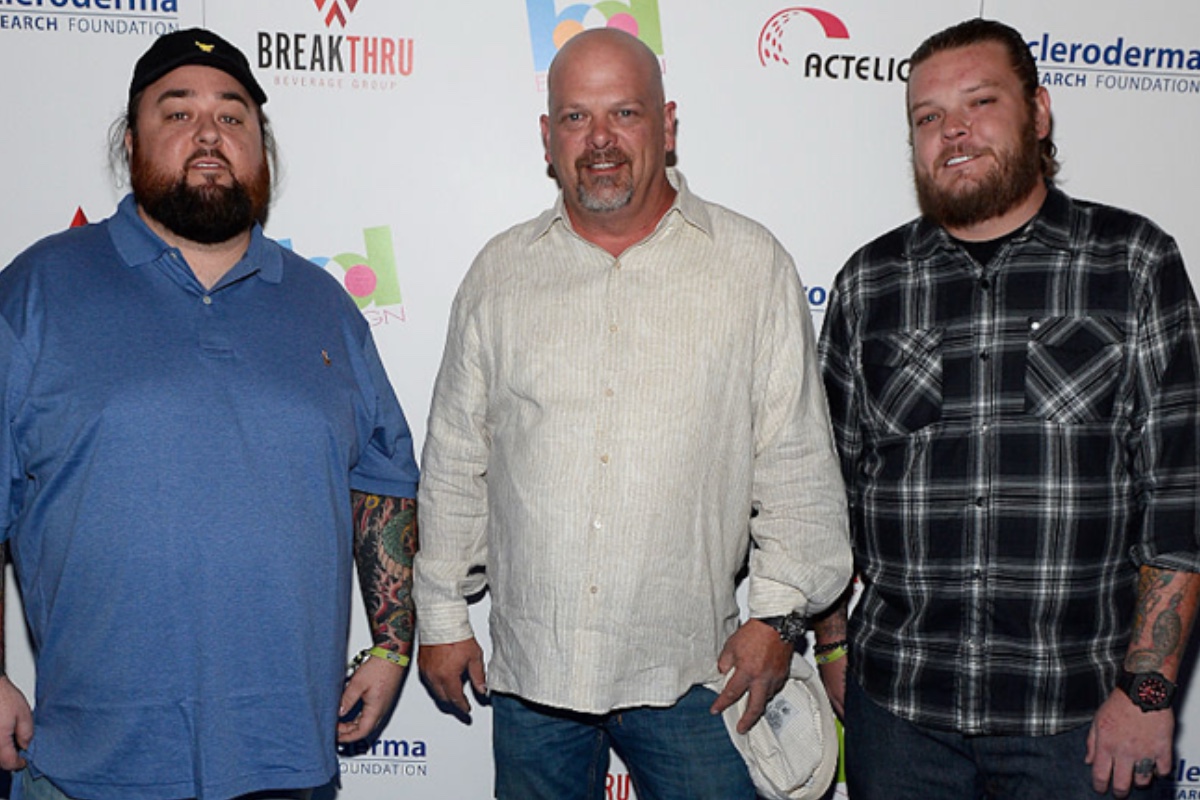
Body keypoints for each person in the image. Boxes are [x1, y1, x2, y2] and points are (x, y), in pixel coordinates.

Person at [414, 26, 851, 800]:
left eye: (625, 113)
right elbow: (456, 460)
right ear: (548, 136)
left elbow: (796, 465)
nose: (600, 140)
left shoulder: (750, 266)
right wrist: (443, 614)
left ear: (667, 124)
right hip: (536, 676)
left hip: (695, 670)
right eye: (576, 117)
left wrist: (779, 618)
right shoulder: (500, 275)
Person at [0, 28, 420, 800]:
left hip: (287, 763)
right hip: (90, 767)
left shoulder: (324, 307)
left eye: (231, 116)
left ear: (262, 148)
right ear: (131, 142)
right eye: (177, 112)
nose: (208, 134)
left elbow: (383, 480)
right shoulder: (36, 292)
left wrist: (393, 644)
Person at [814, 17, 1200, 800]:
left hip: (1084, 719)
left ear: (1039, 112)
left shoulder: (1132, 262)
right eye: (928, 116)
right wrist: (830, 646)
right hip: (901, 718)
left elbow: (1182, 495)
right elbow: (823, 495)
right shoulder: (869, 283)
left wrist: (1148, 691)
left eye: (980, 102)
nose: (953, 130)